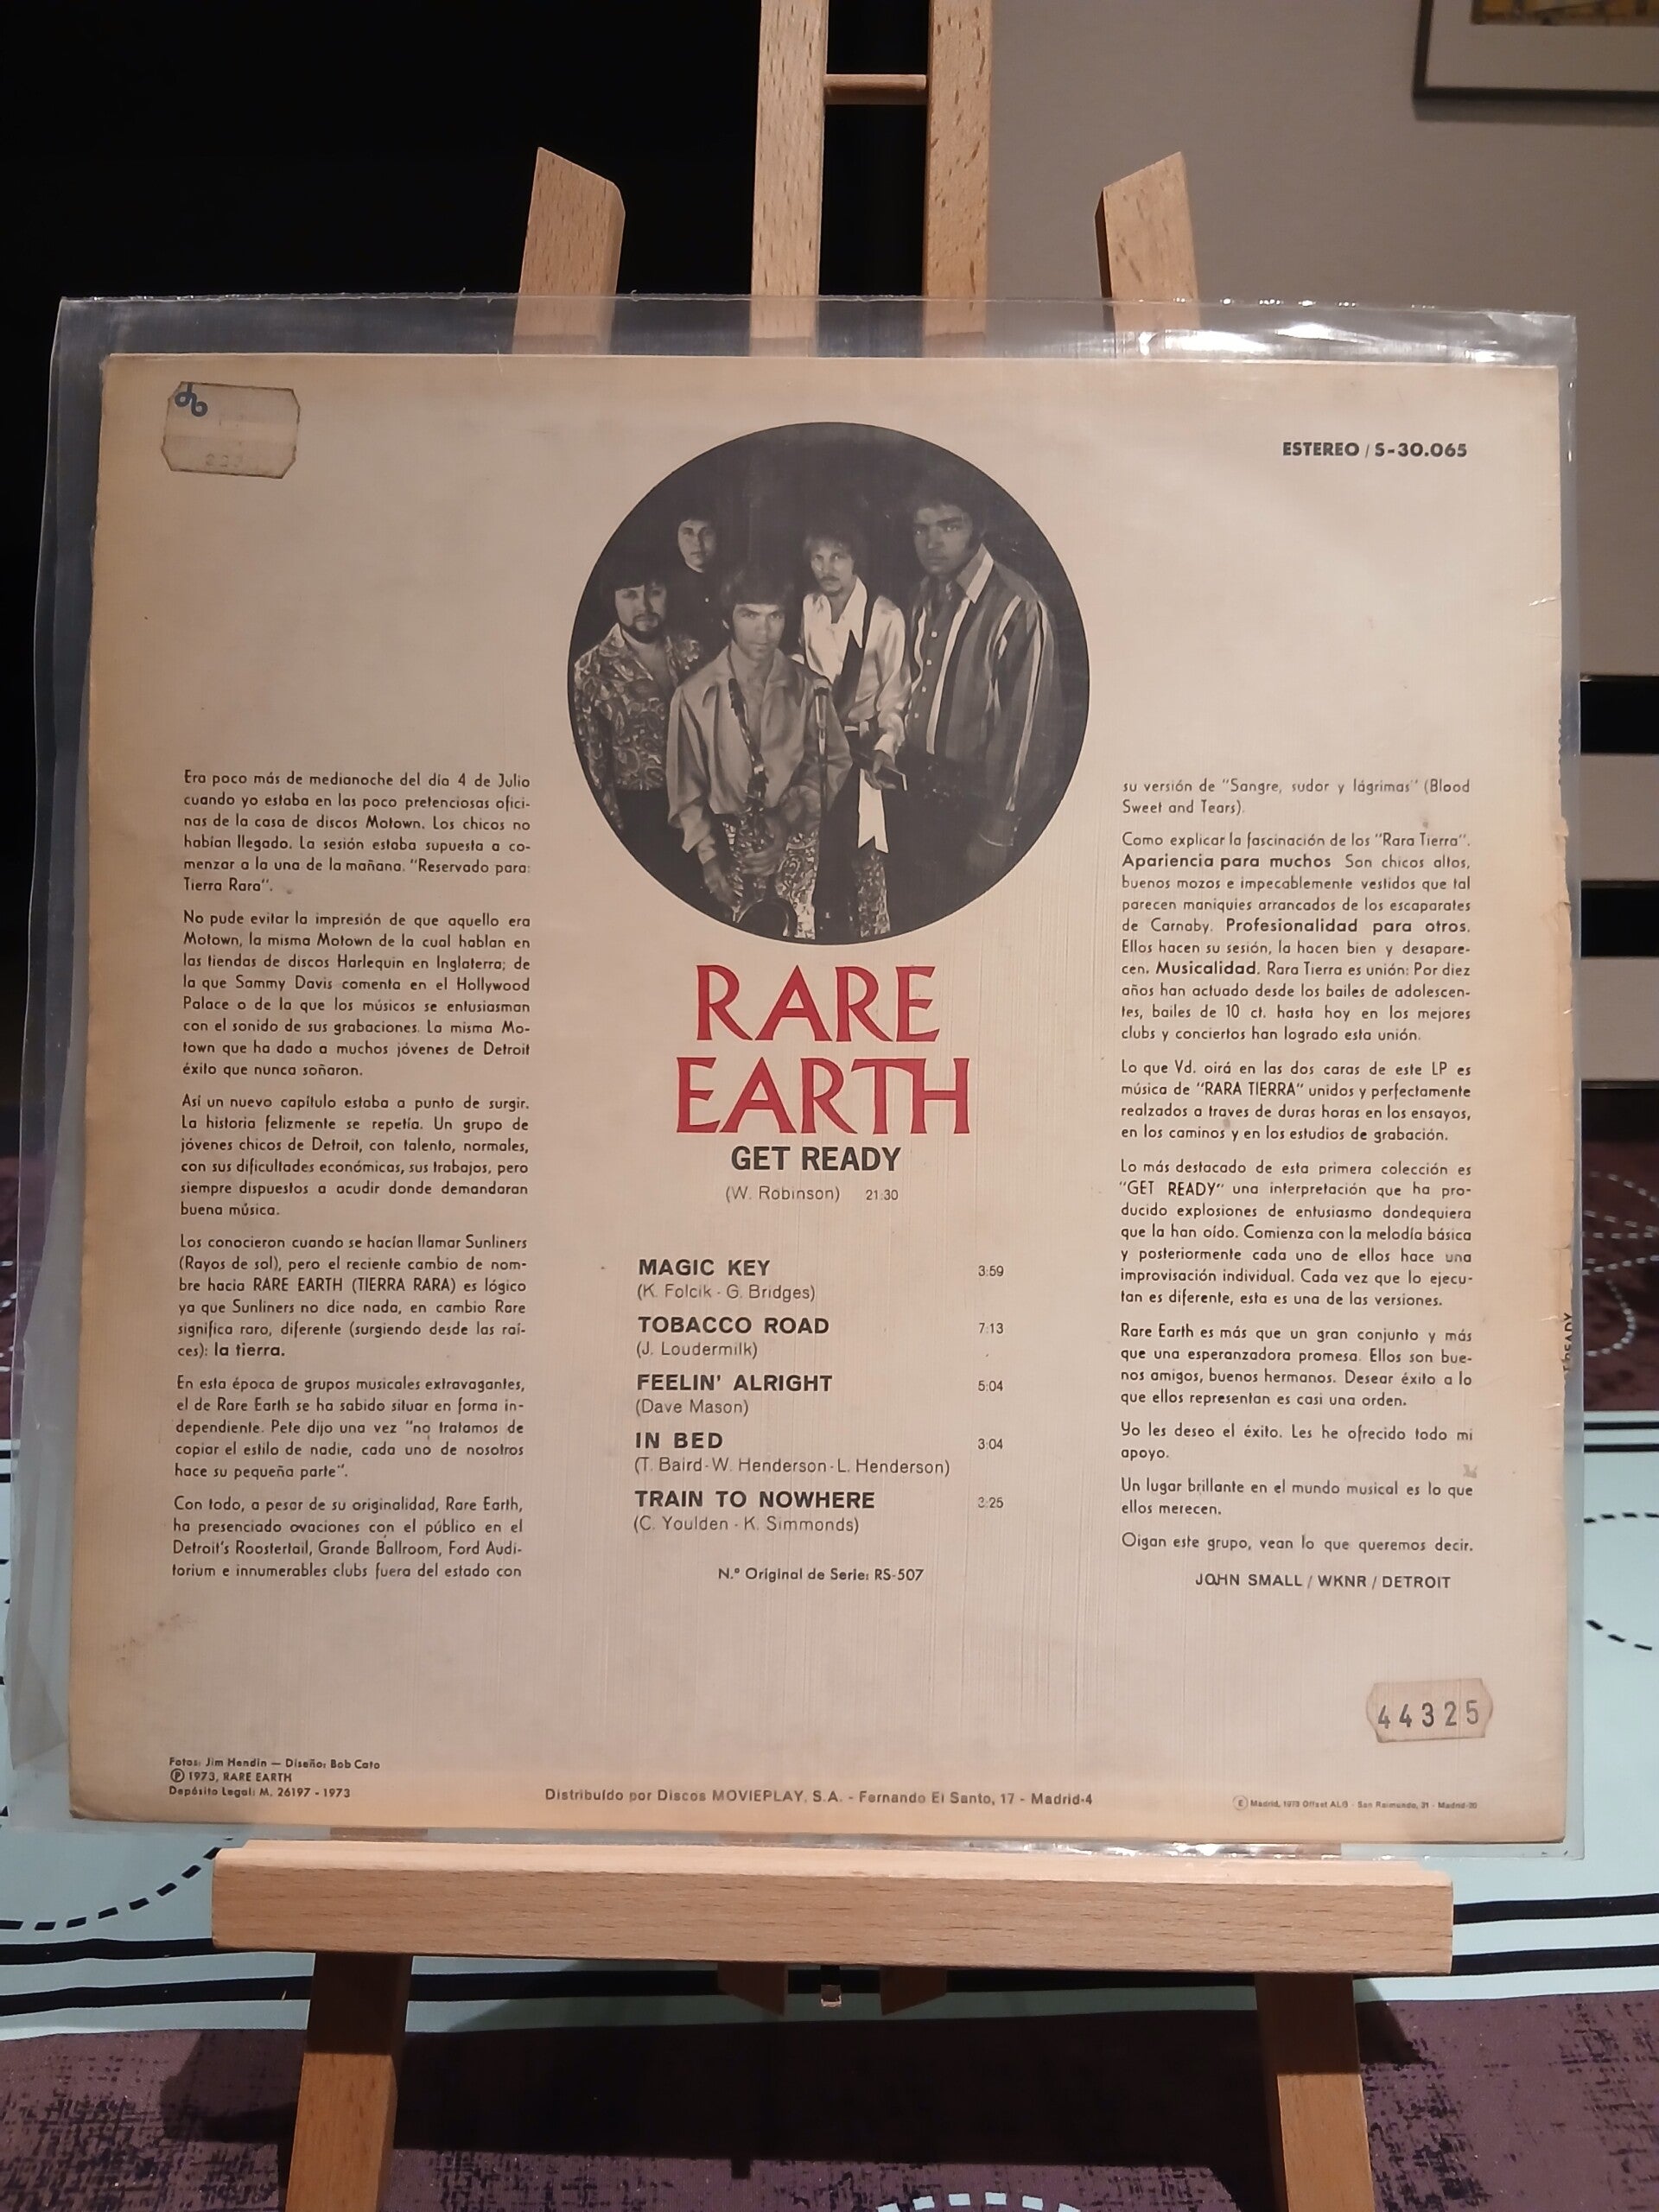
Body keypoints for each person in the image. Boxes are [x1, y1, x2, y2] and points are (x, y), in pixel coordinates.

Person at [885, 469, 1063, 931]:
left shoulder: (1018, 606)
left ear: (976, 529)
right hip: (916, 793)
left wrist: (999, 825)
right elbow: (912, 687)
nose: (932, 542)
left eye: (949, 525)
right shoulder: (922, 595)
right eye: (921, 529)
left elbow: (1029, 728)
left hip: (974, 805)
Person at [667, 563, 851, 938]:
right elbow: (686, 787)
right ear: (728, 619)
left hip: (796, 840)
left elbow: (831, 761)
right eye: (749, 615)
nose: (764, 632)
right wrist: (708, 857)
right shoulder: (692, 695)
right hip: (730, 848)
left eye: (774, 616)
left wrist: (787, 820)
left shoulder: (812, 688)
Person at [570, 545, 707, 900]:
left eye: (654, 592)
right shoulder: (591, 670)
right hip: (637, 815)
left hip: (699, 808)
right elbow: (594, 768)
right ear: (613, 600)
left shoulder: (692, 652)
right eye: (630, 595)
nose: (644, 605)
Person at [798, 512, 910, 942]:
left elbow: (896, 696)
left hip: (861, 751)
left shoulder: (885, 616)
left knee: (863, 857)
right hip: (816, 750)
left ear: (855, 559)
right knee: (818, 852)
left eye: (838, 557)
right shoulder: (809, 607)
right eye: (818, 558)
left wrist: (886, 746)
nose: (826, 569)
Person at [664, 510, 725, 662]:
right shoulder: (666, 588)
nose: (697, 542)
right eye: (688, 533)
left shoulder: (732, 581)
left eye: (706, 533)